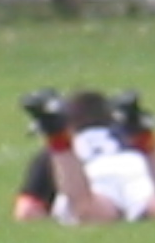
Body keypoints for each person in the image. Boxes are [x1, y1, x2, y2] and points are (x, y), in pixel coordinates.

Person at [15, 88, 154, 224]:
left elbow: (27, 210)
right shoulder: (123, 137)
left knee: (87, 208)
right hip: (134, 166)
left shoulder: (52, 154)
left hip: (91, 176)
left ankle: (55, 133)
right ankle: (142, 133)